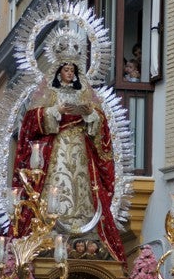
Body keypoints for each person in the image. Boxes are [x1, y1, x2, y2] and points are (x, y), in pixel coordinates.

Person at [12, 57, 126, 264]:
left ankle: (82, 229)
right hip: (58, 146)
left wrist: (90, 113)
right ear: (58, 72)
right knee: (58, 183)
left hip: (80, 147)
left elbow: (100, 124)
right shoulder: (50, 92)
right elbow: (31, 121)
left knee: (82, 187)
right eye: (66, 70)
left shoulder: (84, 93)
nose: (70, 73)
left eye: (72, 70)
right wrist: (56, 111)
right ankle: (52, 227)